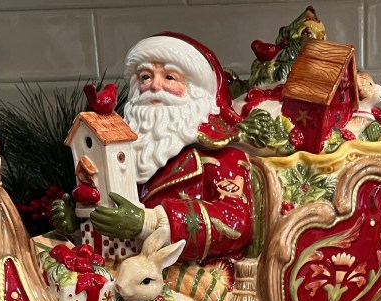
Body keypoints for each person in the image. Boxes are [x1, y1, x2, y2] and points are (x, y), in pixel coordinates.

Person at [53, 34, 256, 266]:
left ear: (197, 91)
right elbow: (109, 221)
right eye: (145, 77)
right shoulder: (121, 155)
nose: (154, 86)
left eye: (169, 77)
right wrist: (80, 223)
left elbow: (237, 222)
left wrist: (149, 223)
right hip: (124, 269)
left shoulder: (222, 157)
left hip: (187, 272)